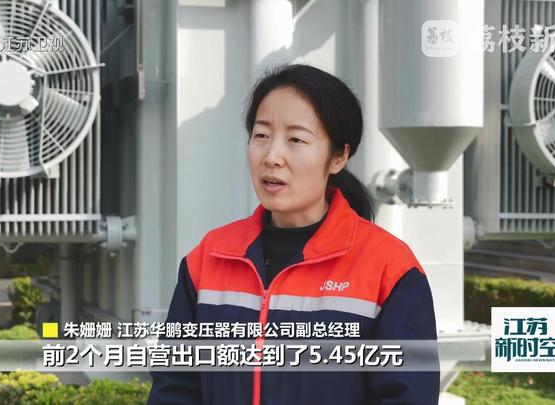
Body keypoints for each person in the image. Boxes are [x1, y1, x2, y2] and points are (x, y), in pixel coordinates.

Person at [147, 64, 439, 405]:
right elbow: (175, 386)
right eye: (261, 135)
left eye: (296, 139)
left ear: (339, 156)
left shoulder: (389, 269)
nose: (272, 157)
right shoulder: (209, 257)